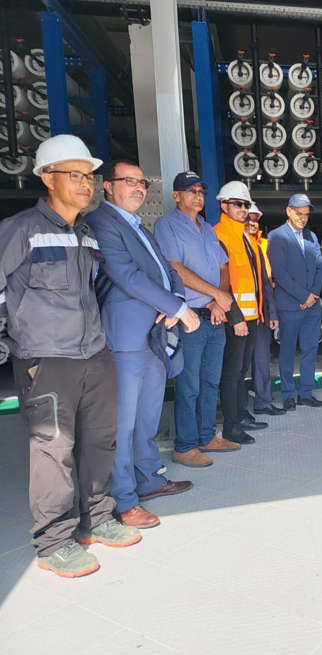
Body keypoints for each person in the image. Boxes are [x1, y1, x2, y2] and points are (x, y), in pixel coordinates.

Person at [0, 134, 140, 578]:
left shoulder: (84, 232)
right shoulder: (20, 229)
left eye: (89, 176)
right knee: (52, 450)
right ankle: (54, 542)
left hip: (93, 354)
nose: (86, 184)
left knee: (100, 441)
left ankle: (96, 519)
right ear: (47, 177)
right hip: (46, 358)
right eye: (74, 175)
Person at [88, 160, 197, 530]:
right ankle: (123, 498)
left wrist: (175, 302)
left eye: (142, 183)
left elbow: (168, 272)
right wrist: (178, 308)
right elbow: (125, 275)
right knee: (123, 421)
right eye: (129, 182)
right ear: (107, 186)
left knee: (147, 414)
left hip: (151, 334)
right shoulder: (103, 221)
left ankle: (149, 478)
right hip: (124, 337)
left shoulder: (139, 227)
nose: (138, 188)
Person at [156, 172, 241, 468]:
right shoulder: (166, 226)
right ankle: (185, 445)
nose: (197, 196)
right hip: (190, 317)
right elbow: (175, 268)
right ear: (176, 196)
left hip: (215, 316)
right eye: (190, 191)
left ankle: (207, 436)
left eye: (201, 191)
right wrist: (214, 296)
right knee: (188, 384)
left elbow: (223, 267)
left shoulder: (207, 229)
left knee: (210, 381)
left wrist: (220, 299)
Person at [213, 181, 278, 444]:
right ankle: (231, 427)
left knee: (241, 372)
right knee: (231, 374)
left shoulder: (246, 238)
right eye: (238, 204)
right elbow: (222, 283)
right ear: (223, 205)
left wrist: (262, 313)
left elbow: (259, 281)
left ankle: (241, 415)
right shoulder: (219, 234)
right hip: (233, 320)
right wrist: (236, 318)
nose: (243, 209)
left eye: (246, 205)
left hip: (252, 319)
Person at [268, 193, 322, 410]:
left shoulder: (311, 236)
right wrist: (303, 297)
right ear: (289, 211)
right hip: (290, 306)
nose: (303, 218)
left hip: (311, 306)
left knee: (311, 349)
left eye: (306, 215)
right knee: (288, 351)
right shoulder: (277, 236)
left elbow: (320, 267)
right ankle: (287, 395)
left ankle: (306, 393)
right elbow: (280, 273)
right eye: (299, 213)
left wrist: (313, 295)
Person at [246, 202, 285, 416]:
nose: (252, 221)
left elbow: (268, 283)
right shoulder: (230, 241)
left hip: (260, 312)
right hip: (237, 316)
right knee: (237, 366)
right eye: (248, 217)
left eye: (255, 217)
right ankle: (238, 409)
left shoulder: (264, 245)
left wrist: (272, 312)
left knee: (261, 359)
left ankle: (263, 401)